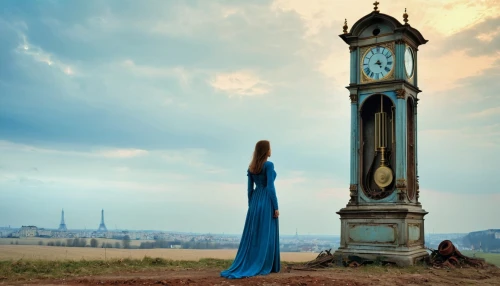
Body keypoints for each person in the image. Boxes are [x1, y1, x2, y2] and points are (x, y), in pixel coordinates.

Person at [220, 140, 280, 279]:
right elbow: (270, 187)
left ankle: (253, 261)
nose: (271, 150)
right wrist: (276, 206)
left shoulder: (251, 167)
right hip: (266, 200)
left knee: (254, 233)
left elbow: (249, 189)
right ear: (266, 150)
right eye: (270, 148)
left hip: (255, 201)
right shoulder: (269, 165)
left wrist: (251, 205)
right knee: (267, 232)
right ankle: (266, 264)